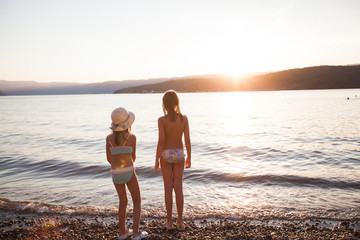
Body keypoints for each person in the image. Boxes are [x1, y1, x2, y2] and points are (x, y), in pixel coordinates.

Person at [106, 107, 148, 240]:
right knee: (137, 201)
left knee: (122, 201)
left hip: (115, 173)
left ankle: (122, 232)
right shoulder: (132, 138)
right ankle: (135, 233)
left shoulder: (108, 138)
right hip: (129, 172)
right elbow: (133, 158)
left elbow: (109, 159)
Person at [155, 90, 192, 231]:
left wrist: (157, 159)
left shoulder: (162, 120)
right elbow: (187, 140)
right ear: (177, 103)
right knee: (178, 188)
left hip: (166, 154)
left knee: (167, 188)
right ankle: (180, 222)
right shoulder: (184, 119)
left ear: (164, 104)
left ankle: (169, 222)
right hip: (178, 154)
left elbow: (161, 141)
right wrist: (189, 156)